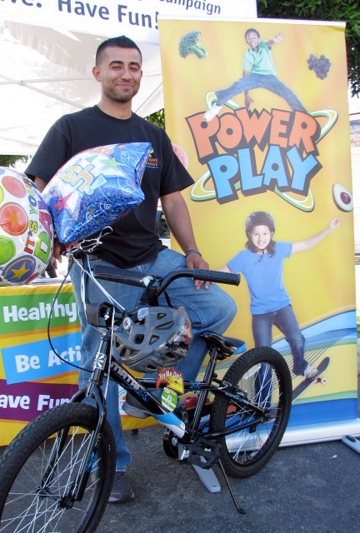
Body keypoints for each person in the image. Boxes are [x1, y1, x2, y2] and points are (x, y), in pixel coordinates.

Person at [26, 35, 236, 503]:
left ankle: (161, 385)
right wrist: (48, 240)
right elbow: (39, 189)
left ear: (142, 74)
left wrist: (193, 251)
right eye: (116, 66)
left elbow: (173, 199)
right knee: (97, 368)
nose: (127, 74)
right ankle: (112, 466)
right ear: (98, 73)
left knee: (218, 307)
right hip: (99, 264)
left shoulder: (151, 134)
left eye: (135, 67)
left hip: (153, 257)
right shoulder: (71, 127)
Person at [218, 211, 340, 380]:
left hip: (282, 306)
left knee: (297, 339)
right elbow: (222, 272)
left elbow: (305, 244)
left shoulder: (278, 249)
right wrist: (200, 277)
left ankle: (301, 367)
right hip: (260, 313)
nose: (261, 238)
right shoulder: (243, 257)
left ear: (271, 233)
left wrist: (328, 229)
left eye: (265, 233)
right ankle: (263, 402)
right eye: (256, 234)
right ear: (249, 235)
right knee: (263, 357)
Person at [204, 28, 307, 122]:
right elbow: (245, 74)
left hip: (271, 77)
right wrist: (246, 95)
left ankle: (304, 116)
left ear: (258, 39)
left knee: (288, 92)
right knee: (237, 85)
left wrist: (274, 41)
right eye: (249, 38)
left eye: (254, 37)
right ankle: (217, 105)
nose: (252, 39)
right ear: (246, 41)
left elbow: (269, 43)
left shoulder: (263, 45)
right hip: (255, 77)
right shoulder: (248, 54)